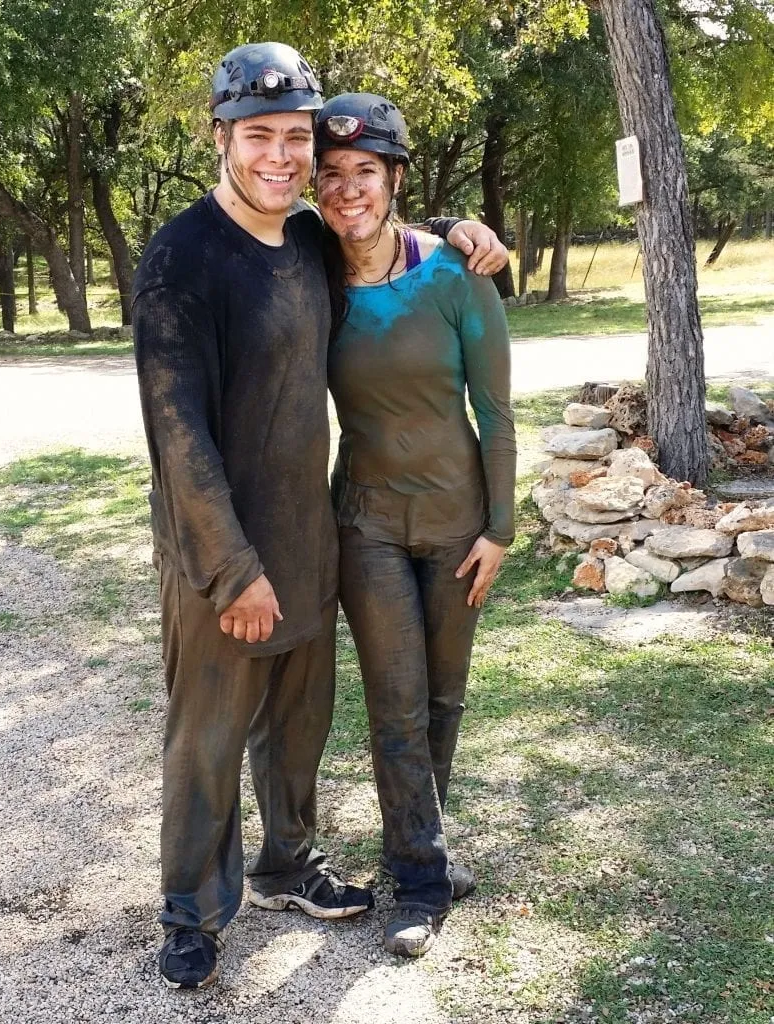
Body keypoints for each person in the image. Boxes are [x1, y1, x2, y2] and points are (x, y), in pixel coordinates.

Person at [132, 44, 508, 990]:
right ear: (219, 137)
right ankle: (191, 913)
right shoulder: (182, 256)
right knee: (211, 734)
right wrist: (228, 567)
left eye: (293, 138)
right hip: (223, 555)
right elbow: (177, 435)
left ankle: (286, 864)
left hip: (311, 538)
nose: (280, 156)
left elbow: (373, 225)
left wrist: (463, 228)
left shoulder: (301, 241)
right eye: (258, 135)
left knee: (298, 727)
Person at [315, 93, 517, 959]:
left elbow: (496, 412)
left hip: (457, 522)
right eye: (329, 175)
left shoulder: (455, 273)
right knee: (394, 705)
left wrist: (500, 528)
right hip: (365, 525)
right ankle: (421, 883)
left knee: (443, 698)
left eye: (365, 170)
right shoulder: (305, 273)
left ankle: (420, 845)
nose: (347, 188)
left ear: (393, 177)